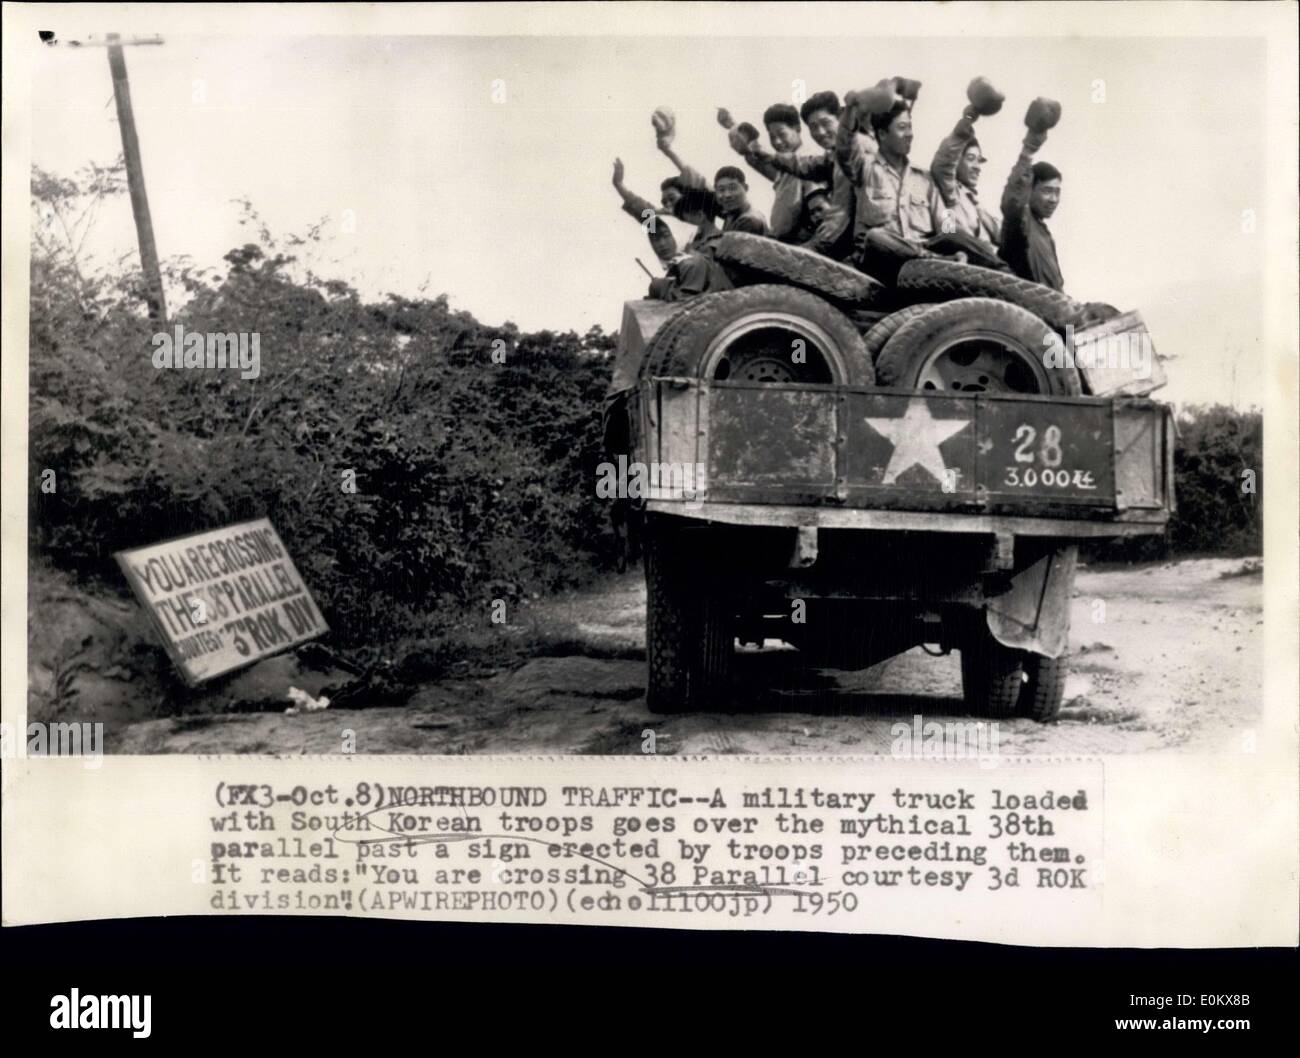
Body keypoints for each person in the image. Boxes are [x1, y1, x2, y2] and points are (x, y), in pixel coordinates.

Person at [835, 81, 947, 279]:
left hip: (920, 253)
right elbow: (845, 147)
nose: (910, 135)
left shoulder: (924, 179)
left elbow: (945, 224)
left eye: (911, 128)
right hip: (880, 260)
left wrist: (955, 234)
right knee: (875, 237)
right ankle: (931, 259)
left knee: (959, 235)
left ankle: (1003, 270)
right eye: (903, 128)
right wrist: (851, 109)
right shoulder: (864, 168)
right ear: (883, 134)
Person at [744, 90, 862, 260]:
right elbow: (801, 166)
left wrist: (802, 253)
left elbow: (834, 216)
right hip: (811, 242)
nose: (820, 132)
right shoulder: (831, 158)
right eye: (813, 127)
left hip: (851, 246)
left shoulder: (851, 154)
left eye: (825, 123)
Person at [726, 102, 818, 243]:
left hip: (805, 246)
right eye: (772, 137)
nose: (778, 142)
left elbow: (812, 217)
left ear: (798, 128)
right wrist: (731, 125)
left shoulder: (809, 162)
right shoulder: (785, 167)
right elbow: (757, 160)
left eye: (782, 134)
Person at [999, 97, 1065, 290]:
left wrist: (1073, 319)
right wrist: (1029, 148)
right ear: (1030, 190)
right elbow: (1013, 200)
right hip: (1023, 314)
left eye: (1057, 193)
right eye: (1047, 191)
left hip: (1055, 316)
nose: (1053, 200)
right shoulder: (1020, 223)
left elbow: (1057, 290)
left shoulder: (1045, 235)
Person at [930, 77, 1003, 245]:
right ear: (957, 162)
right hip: (954, 256)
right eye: (971, 159)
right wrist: (968, 121)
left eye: (979, 161)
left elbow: (1003, 237)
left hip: (982, 264)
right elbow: (944, 162)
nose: (977, 167)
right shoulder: (949, 191)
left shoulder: (977, 207)